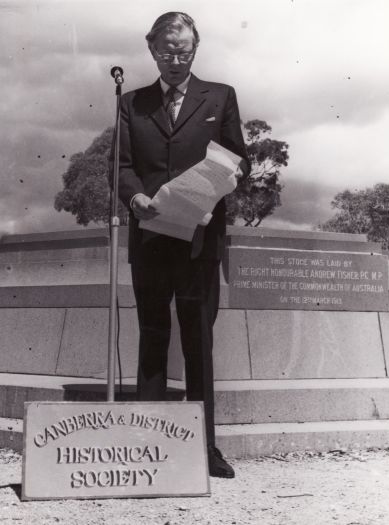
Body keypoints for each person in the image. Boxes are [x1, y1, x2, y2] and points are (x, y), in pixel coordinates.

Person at [117, 12, 250, 478]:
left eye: (185, 51)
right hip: (150, 239)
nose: (176, 60)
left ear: (196, 48)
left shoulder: (221, 96)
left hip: (200, 238)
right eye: (167, 51)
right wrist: (135, 198)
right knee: (153, 337)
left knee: (199, 340)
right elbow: (122, 166)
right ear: (151, 49)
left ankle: (204, 447)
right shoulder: (131, 103)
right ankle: (147, 446)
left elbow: (239, 160)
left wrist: (218, 190)